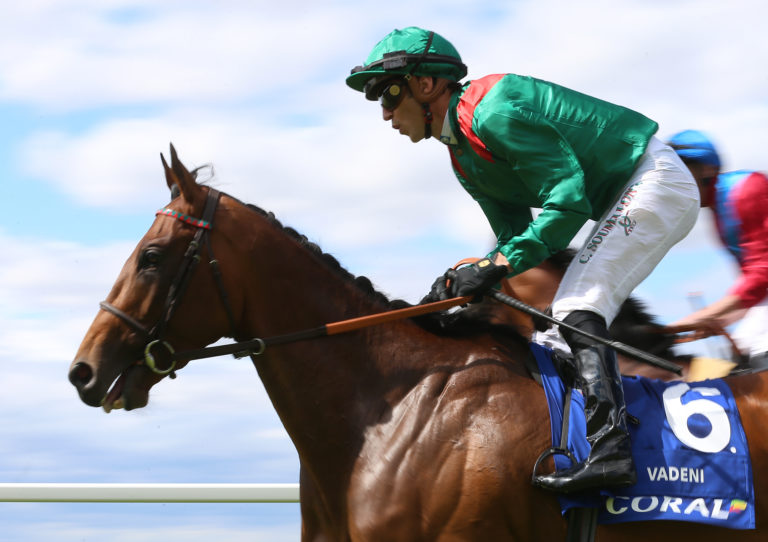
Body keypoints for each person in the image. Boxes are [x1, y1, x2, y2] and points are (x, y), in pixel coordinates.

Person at [346, 26, 700, 494]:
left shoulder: (494, 110)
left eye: (388, 93)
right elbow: (515, 240)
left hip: (655, 181)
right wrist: (460, 280)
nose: (386, 112)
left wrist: (493, 268)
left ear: (426, 85)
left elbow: (568, 203)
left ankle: (613, 453)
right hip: (624, 195)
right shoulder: (462, 154)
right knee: (556, 330)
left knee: (577, 305)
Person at [666, 130, 768, 368]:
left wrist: (706, 314)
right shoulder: (719, 207)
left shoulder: (744, 191)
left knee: (755, 352)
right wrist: (718, 321)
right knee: (739, 359)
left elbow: (762, 273)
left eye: (680, 171)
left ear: (707, 170)